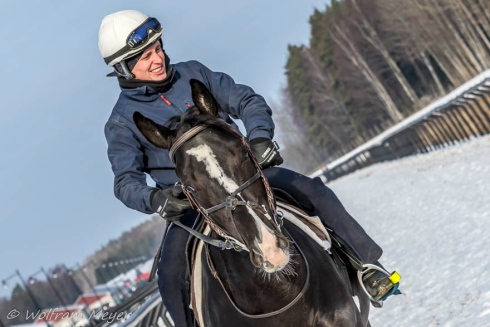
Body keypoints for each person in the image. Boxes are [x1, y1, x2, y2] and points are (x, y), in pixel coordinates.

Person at [98, 10, 400, 326]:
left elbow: (247, 101)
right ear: (123, 68)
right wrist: (156, 200)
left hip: (245, 176)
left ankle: (366, 267)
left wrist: (259, 139)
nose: (158, 58)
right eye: (145, 57)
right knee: (169, 274)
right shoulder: (121, 123)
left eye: (157, 48)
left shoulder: (193, 73)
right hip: (194, 206)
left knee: (313, 190)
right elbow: (125, 182)